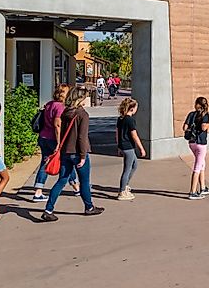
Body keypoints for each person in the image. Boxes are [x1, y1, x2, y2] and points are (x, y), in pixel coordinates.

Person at [41, 86, 105, 222]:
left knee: (61, 180)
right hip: (77, 152)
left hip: (65, 152)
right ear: (81, 98)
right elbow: (82, 137)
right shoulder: (83, 115)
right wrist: (82, 156)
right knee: (84, 181)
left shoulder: (65, 112)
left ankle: (48, 209)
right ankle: (89, 207)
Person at [32, 84, 80, 202]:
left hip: (43, 136)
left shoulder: (49, 104)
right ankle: (76, 186)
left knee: (45, 161)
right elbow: (57, 125)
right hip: (54, 139)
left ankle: (38, 190)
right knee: (66, 162)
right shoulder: (60, 107)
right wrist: (59, 143)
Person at [183, 97, 209, 200]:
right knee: (197, 167)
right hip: (201, 144)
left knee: (202, 164)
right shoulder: (205, 115)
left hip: (192, 143)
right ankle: (193, 191)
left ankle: (203, 187)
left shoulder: (191, 114)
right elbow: (204, 127)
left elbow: (184, 128)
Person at [116, 98, 145, 200]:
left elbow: (117, 133)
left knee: (134, 164)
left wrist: (118, 146)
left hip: (123, 146)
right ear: (132, 109)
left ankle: (125, 185)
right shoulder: (130, 120)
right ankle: (122, 191)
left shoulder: (121, 119)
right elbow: (134, 135)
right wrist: (141, 148)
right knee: (127, 169)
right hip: (128, 146)